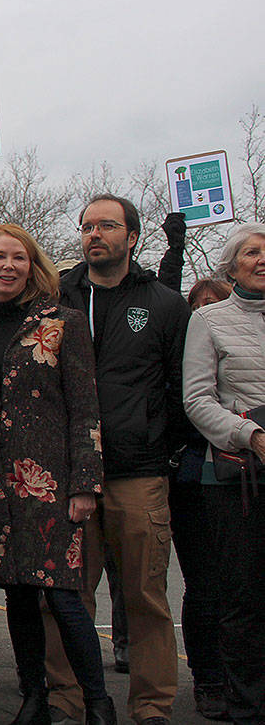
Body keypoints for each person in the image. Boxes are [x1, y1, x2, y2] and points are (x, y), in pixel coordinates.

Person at [0, 223, 116, 725]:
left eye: (18, 258)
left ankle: (98, 701)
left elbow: (86, 409)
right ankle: (33, 695)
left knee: (63, 596)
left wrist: (86, 483)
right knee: (16, 595)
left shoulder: (61, 324)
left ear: (32, 267)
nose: (8, 267)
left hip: (48, 484)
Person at [46, 195, 186, 725]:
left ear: (132, 236)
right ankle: (67, 700)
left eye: (107, 225)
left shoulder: (164, 303)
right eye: (85, 226)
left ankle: (151, 707)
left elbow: (178, 386)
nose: (93, 234)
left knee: (146, 599)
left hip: (138, 473)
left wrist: (156, 442)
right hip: (66, 476)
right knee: (66, 596)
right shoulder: (54, 297)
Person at [183, 225, 265, 724]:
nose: (262, 260)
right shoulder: (210, 320)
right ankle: (248, 704)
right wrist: (250, 435)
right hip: (240, 480)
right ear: (232, 265)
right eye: (252, 253)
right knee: (245, 597)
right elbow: (197, 399)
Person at [167, 276, 232, 721]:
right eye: (198, 305)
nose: (205, 310)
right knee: (204, 585)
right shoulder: (179, 357)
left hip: (240, 477)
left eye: (215, 303)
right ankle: (208, 678)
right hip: (192, 478)